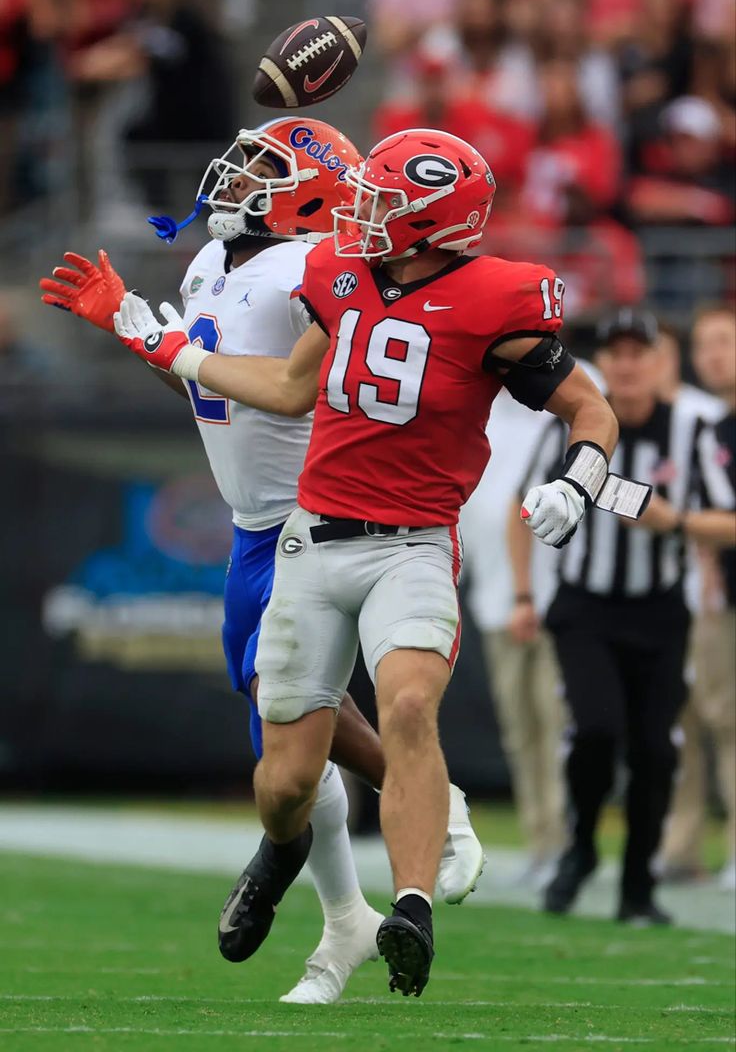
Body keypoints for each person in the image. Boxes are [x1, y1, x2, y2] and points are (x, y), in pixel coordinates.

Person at [103, 127, 625, 996]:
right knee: (285, 784)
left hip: (415, 541)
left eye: (387, 201)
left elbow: (589, 408)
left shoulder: (497, 298)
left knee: (410, 705)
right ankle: (286, 855)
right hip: (312, 538)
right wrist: (174, 351)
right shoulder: (334, 276)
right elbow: (285, 387)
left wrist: (581, 482)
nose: (363, 212)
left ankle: (409, 909)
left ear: (435, 224)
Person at [39, 116, 484, 1004]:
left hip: (320, 516)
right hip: (253, 524)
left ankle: (419, 814)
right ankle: (349, 907)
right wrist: (138, 331)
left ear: (312, 195)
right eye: (244, 160)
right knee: (280, 746)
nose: (237, 176)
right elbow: (207, 379)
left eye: (262, 166)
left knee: (295, 736)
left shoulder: (310, 268)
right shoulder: (216, 261)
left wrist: (161, 338)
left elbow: (290, 390)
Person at [513, 308, 725, 925]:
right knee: (598, 729)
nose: (628, 366)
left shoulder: (694, 428)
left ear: (663, 362)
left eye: (641, 353)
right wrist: (525, 593)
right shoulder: (571, 425)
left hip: (661, 610)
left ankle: (638, 887)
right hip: (585, 607)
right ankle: (579, 849)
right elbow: (517, 508)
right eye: (617, 354)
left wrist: (675, 522)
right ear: (602, 363)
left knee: (657, 751)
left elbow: (728, 520)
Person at [460, 390, 566, 888]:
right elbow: (466, 511)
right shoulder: (471, 407)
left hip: (557, 601)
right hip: (496, 600)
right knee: (522, 732)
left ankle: (567, 843)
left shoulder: (569, 396)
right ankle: (542, 842)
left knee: (559, 726)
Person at [654, 305, 736, 890]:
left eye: (725, 342)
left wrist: (676, 522)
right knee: (718, 721)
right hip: (722, 599)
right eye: (704, 343)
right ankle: (699, 849)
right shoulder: (715, 429)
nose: (712, 355)